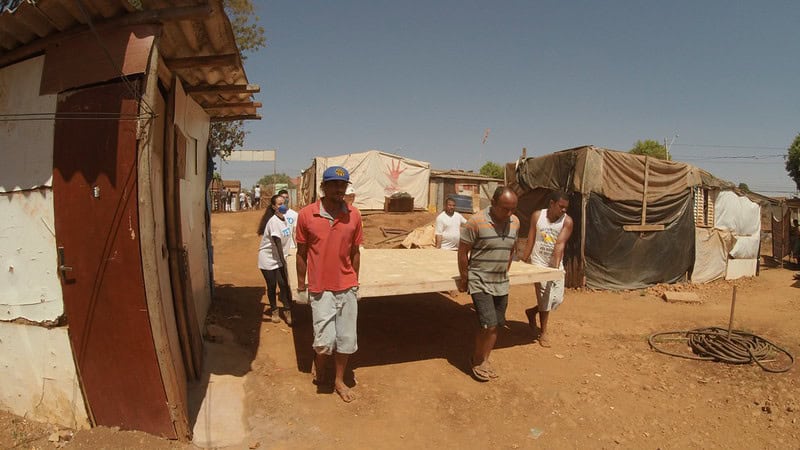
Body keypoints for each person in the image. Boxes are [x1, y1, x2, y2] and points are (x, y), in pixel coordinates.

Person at [295, 166, 363, 402]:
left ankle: (339, 380)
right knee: (324, 342)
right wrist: (301, 285)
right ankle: (319, 360)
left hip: (346, 286)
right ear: (323, 187)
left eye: (342, 185)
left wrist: (355, 281)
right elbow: (301, 253)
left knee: (346, 339)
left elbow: (356, 252)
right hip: (320, 288)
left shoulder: (354, 215)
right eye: (333, 184)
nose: (338, 189)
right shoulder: (306, 215)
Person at [458, 187, 519, 381]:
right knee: (489, 324)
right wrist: (465, 277)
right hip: (480, 279)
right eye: (505, 208)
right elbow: (462, 252)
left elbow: (511, 250)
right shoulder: (475, 221)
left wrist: (504, 271)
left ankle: (485, 357)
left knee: (497, 324)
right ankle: (476, 360)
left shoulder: (515, 222)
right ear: (492, 203)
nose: (509, 213)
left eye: (513, 209)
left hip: (501, 281)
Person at [520, 191, 574, 348]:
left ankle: (532, 312)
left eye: (566, 208)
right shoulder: (538, 216)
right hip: (538, 262)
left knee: (557, 300)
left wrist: (555, 269)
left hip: (555, 264)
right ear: (551, 204)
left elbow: (559, 245)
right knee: (545, 298)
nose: (563, 210)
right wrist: (524, 259)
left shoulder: (567, 222)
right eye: (561, 207)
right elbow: (531, 238)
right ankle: (543, 332)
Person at [257, 194, 294, 325]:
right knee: (272, 286)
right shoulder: (273, 222)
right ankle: (274, 310)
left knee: (283, 285)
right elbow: (278, 244)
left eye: (284, 203)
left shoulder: (285, 219)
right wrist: (284, 263)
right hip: (268, 259)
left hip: (279, 258)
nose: (282, 206)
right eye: (279, 204)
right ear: (274, 207)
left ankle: (287, 310)